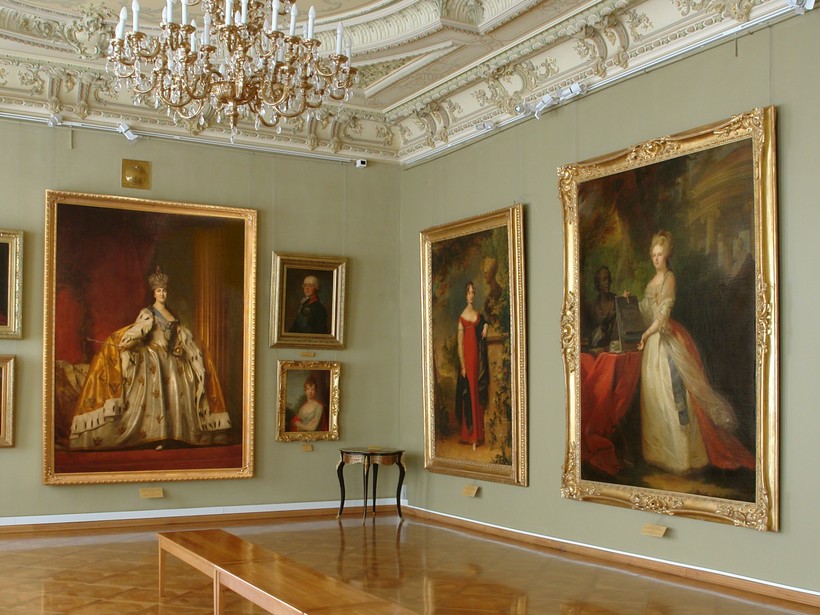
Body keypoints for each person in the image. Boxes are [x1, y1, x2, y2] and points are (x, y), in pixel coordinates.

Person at [69, 267, 231, 450]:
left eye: (164, 291)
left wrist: (180, 348)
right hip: (153, 358)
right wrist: (128, 341)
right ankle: (155, 436)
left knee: (185, 381)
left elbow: (179, 337)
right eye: (159, 291)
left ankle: (175, 435)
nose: (162, 294)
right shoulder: (148, 313)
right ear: (154, 293)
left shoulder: (172, 314)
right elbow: (138, 330)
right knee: (152, 387)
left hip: (173, 360)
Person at [631, 231, 753, 474]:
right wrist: (632, 303)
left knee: (673, 393)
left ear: (667, 255)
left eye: (660, 255)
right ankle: (660, 453)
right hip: (653, 346)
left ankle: (682, 456)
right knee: (655, 398)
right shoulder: (651, 282)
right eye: (653, 255)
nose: (656, 259)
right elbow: (647, 313)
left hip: (666, 341)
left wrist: (646, 335)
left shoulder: (669, 279)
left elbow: (662, 316)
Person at [454, 281, 489, 448]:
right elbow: (459, 344)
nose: (471, 295)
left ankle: (478, 434)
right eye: (469, 292)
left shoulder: (477, 315)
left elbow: (483, 323)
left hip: (476, 358)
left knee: (476, 390)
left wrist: (486, 325)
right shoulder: (462, 317)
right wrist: (462, 365)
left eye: (473, 292)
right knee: (469, 393)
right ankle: (470, 435)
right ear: (465, 295)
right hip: (467, 359)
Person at [587, 265, 617, 348]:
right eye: (604, 279)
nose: (607, 282)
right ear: (598, 283)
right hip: (597, 346)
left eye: (608, 279)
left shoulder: (615, 300)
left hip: (613, 346)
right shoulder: (594, 305)